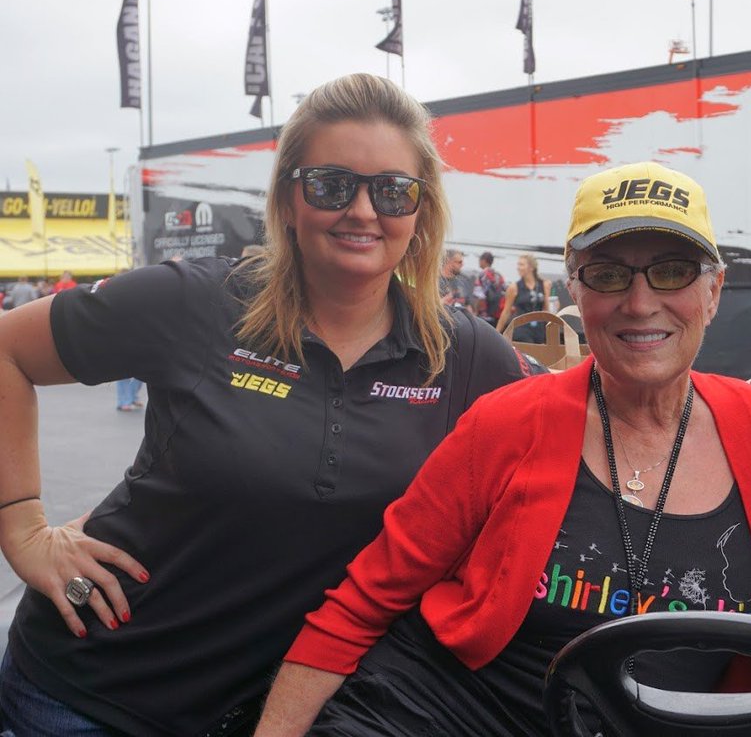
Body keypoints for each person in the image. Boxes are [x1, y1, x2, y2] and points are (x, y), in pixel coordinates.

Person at [0, 73, 533, 736]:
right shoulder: (193, 301)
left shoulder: (467, 355)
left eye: (394, 190)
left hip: (282, 715)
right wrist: (21, 527)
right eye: (332, 185)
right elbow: (7, 351)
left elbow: (574, 440)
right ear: (287, 199)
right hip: (91, 694)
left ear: (422, 211)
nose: (364, 211)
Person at [254, 161, 751, 736]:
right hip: (445, 713)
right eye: (608, 275)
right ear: (575, 293)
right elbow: (363, 602)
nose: (639, 303)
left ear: (714, 291)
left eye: (674, 272)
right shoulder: (508, 421)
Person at [495, 252, 553, 342]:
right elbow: (506, 312)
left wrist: (551, 332)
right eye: (518, 265)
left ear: (531, 268)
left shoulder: (544, 284)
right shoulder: (514, 287)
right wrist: (497, 333)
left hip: (539, 330)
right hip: (521, 330)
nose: (518, 268)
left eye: (521, 265)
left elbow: (546, 310)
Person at [474, 250, 506, 326]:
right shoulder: (498, 275)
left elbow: (480, 296)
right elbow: (505, 291)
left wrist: (475, 311)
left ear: (483, 261)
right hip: (496, 314)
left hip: (483, 315)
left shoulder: (482, 275)